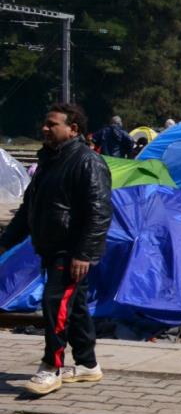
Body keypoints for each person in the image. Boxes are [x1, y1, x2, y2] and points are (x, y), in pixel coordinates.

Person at [0, 103, 112, 396]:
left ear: (73, 129)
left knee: (55, 304)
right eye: (45, 124)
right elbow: (28, 211)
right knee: (73, 308)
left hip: (71, 250)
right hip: (51, 248)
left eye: (52, 124)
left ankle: (51, 367)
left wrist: (83, 253)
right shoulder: (49, 160)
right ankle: (87, 365)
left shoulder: (87, 162)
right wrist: (4, 243)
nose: (45, 129)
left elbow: (99, 212)